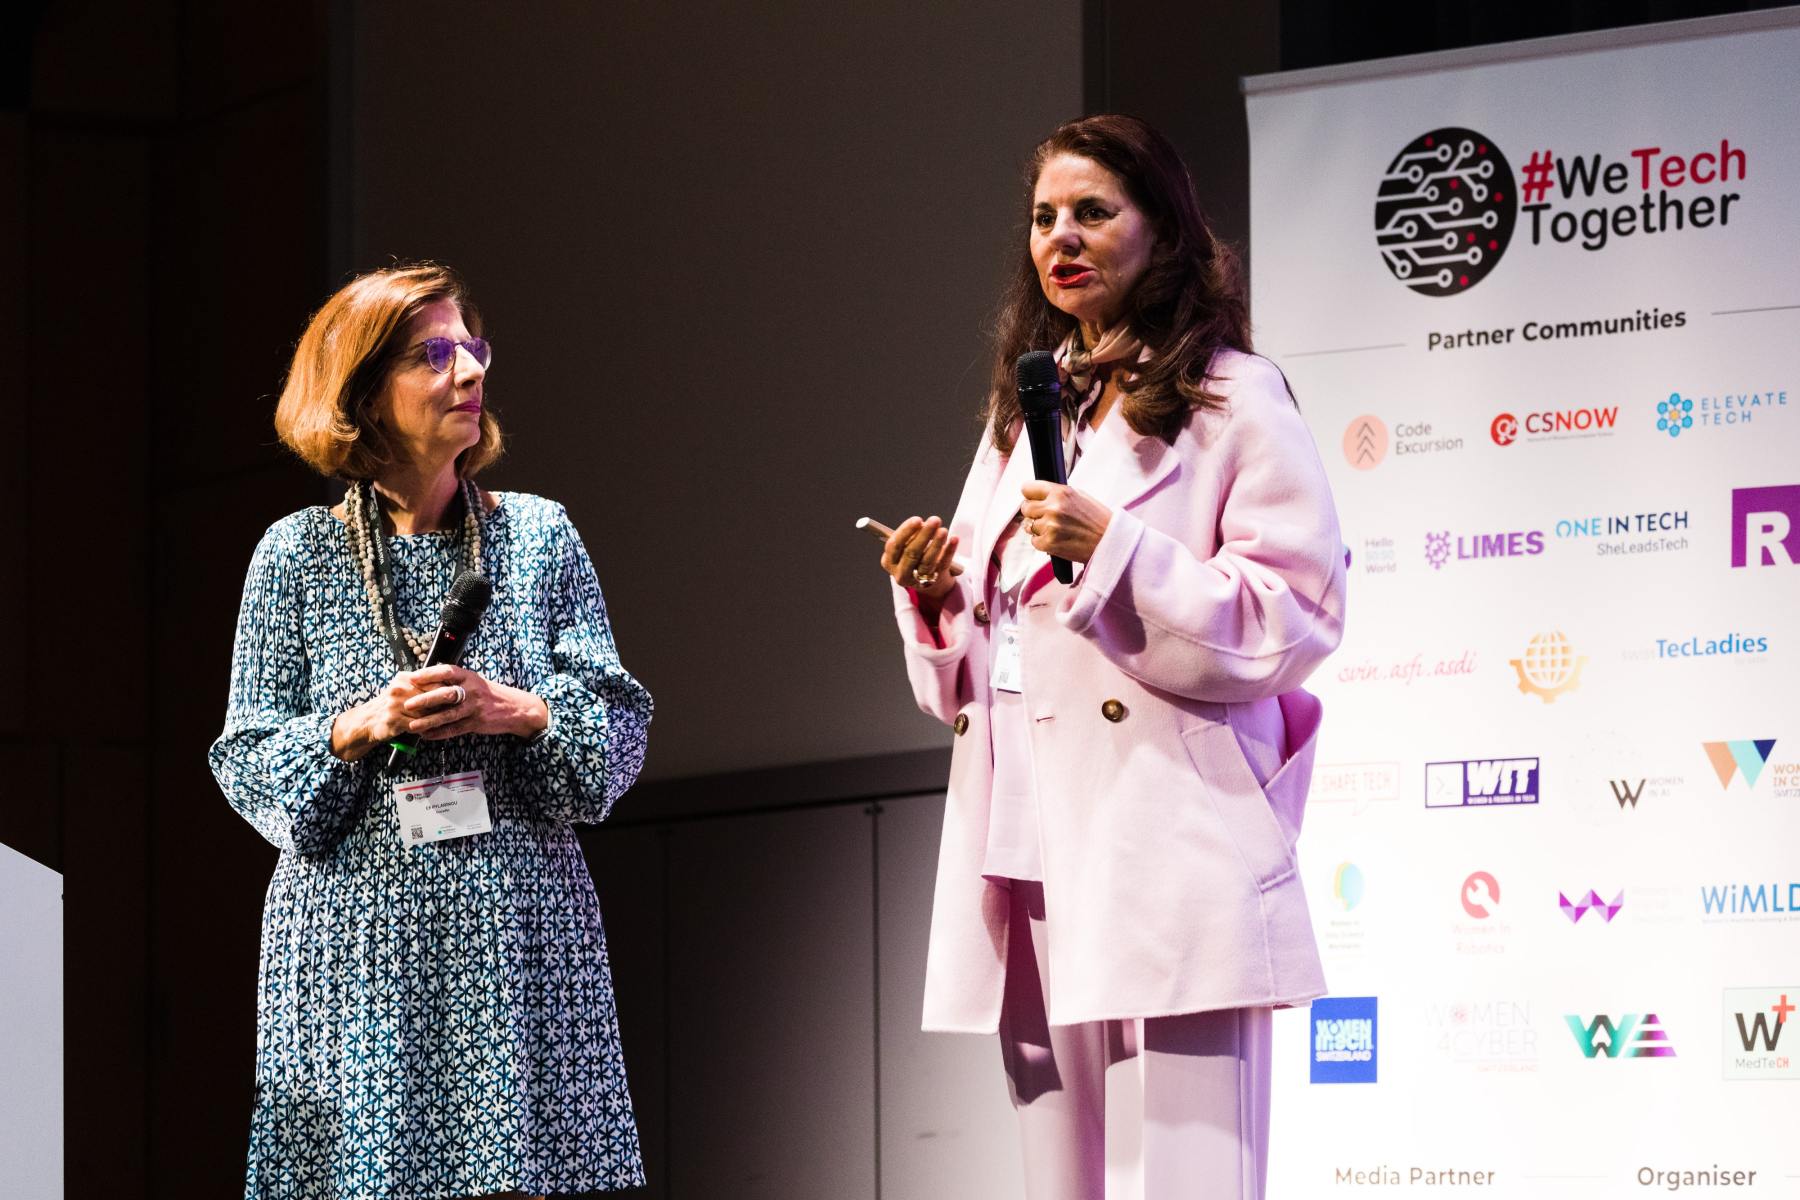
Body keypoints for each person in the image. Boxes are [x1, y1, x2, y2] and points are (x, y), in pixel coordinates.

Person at [876, 115, 1346, 1199]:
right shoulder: (1024, 411)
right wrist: (936, 600)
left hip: (1169, 824)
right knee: (1060, 1180)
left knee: (1193, 1171)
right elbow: (990, 644)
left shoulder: (1234, 395)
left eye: (1093, 211)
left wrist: (1118, 550)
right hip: (1024, 822)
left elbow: (1295, 614)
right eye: (1045, 217)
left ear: (1163, 232)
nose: (1062, 236)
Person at [209, 263, 652, 1200]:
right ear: (363, 392)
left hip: (514, 938)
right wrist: (357, 726)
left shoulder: (538, 536)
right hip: (355, 948)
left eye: (473, 349)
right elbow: (246, 760)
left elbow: (614, 734)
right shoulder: (295, 555)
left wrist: (514, 709)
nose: (471, 371)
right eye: (434, 355)